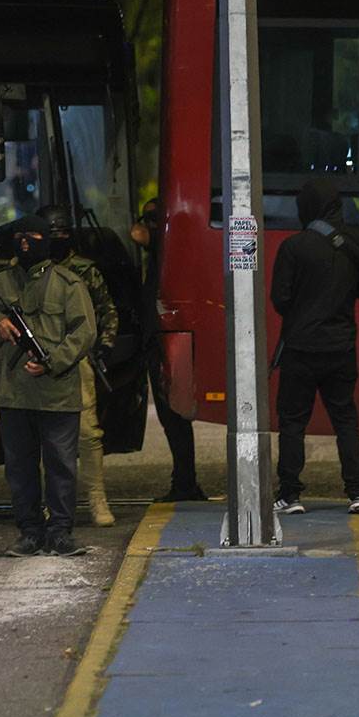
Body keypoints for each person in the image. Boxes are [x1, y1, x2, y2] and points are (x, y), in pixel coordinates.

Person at [0, 215, 97, 556]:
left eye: (34, 235)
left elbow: (84, 333)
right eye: (20, 236)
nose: (26, 241)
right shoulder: (1, 284)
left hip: (57, 393)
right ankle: (29, 532)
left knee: (61, 467)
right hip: (15, 393)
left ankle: (59, 532)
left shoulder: (69, 285)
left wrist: (51, 360)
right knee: (20, 469)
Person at [270, 179, 359, 515]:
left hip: (301, 349)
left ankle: (290, 495)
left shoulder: (293, 247)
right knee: (345, 420)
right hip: (340, 347)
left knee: (293, 423)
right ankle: (357, 493)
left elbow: (281, 299)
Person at [37, 205, 118, 527]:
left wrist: (104, 346)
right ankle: (49, 504)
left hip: (79, 359)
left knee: (88, 434)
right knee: (47, 436)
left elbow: (106, 310)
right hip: (41, 362)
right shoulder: (29, 271)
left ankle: (97, 499)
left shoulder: (84, 270)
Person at [131, 199, 207, 503]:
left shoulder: (170, 248)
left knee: (175, 418)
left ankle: (186, 483)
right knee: (172, 420)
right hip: (160, 339)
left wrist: (149, 224)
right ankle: (184, 482)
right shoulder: (167, 253)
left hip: (168, 342)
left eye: (154, 218)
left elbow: (138, 233)